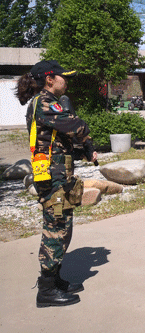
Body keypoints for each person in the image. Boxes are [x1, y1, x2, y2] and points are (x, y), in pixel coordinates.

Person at [15, 60, 98, 307]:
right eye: (64, 77)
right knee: (56, 228)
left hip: (57, 176)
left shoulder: (48, 103)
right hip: (52, 179)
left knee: (62, 225)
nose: (67, 81)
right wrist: (84, 132)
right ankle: (47, 290)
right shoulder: (45, 103)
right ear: (50, 79)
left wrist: (84, 149)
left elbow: (63, 136)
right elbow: (75, 126)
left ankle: (56, 279)